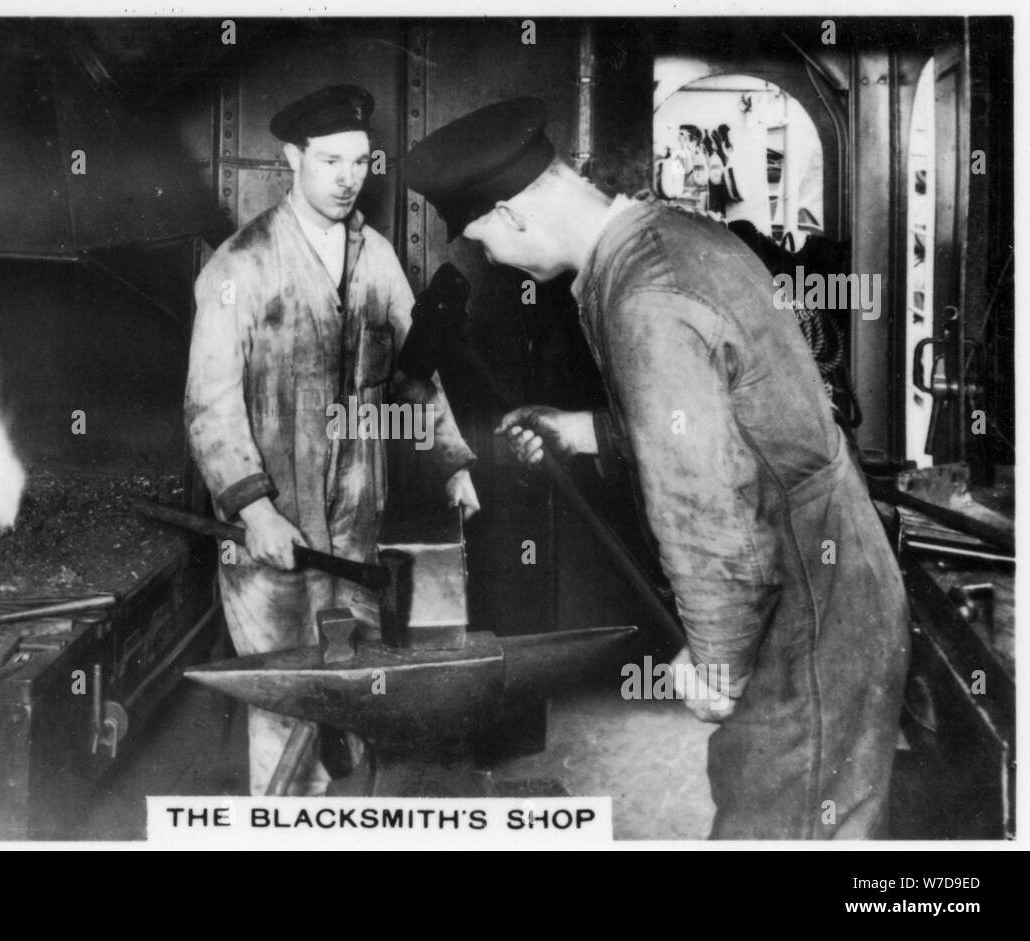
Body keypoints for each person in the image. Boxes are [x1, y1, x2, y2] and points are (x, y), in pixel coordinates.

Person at [403, 97, 910, 839]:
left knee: (784, 817)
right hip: (824, 562)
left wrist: (716, 653)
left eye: (483, 241)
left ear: (511, 216)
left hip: (806, 590)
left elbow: (703, 496)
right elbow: (718, 418)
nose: (493, 260)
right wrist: (581, 429)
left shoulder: (641, 294)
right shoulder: (667, 233)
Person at [186, 85, 479, 796]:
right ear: (292, 159)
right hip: (272, 540)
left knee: (357, 696)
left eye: (360, 162)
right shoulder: (239, 267)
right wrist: (255, 511)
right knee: (286, 702)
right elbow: (210, 406)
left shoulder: (375, 256)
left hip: (353, 531)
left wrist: (451, 463)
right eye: (330, 161)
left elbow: (415, 374)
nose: (348, 179)